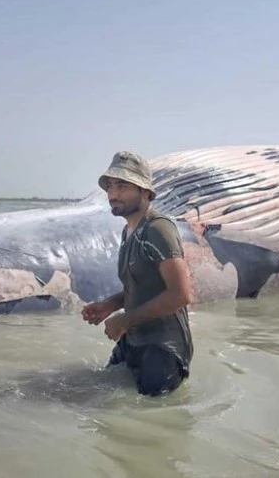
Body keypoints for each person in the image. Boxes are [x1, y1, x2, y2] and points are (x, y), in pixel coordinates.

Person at [81, 151, 194, 396]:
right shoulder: (129, 231)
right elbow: (142, 285)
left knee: (151, 418)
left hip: (162, 349)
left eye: (122, 186)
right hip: (134, 339)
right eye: (110, 186)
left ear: (145, 192)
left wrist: (125, 320)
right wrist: (110, 304)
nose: (113, 194)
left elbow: (181, 294)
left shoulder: (158, 229)